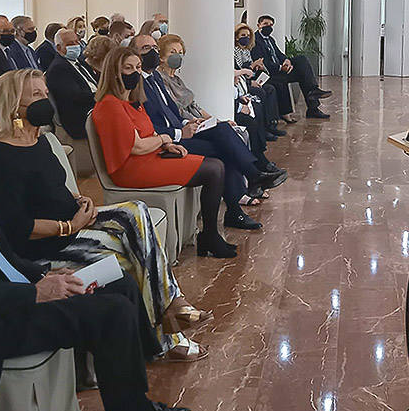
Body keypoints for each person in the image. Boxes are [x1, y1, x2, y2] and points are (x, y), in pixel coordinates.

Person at [0, 69, 210, 361]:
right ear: (13, 103)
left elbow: (52, 188)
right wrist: (68, 225)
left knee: (136, 211)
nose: (45, 99)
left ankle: (171, 309)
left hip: (75, 224)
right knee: (130, 256)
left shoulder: (40, 140)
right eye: (36, 95)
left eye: (45, 92)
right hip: (45, 246)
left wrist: (77, 200)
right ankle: (168, 333)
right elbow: (15, 227)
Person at [0, 201, 195, 411]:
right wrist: (34, 292)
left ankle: (136, 405)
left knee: (121, 283)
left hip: (17, 293)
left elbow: (1, 255)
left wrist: (42, 274)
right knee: (113, 314)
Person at [91, 46, 236, 259]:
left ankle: (208, 235)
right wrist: (164, 139)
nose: (135, 73)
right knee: (214, 169)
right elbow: (136, 146)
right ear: (114, 72)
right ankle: (210, 237)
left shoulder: (132, 102)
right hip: (130, 168)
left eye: (138, 67)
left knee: (214, 164)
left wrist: (166, 145)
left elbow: (147, 134)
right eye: (128, 68)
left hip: (149, 158)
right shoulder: (110, 105)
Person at [131, 34, 285, 230]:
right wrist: (179, 133)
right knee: (223, 148)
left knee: (222, 129)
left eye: (154, 47)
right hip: (168, 141)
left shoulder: (154, 79)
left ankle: (251, 179)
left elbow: (171, 111)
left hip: (180, 130)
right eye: (146, 49)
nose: (152, 52)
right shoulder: (137, 85)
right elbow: (149, 126)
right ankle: (242, 195)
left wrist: (190, 122)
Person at [253, 14, 332, 120]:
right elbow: (263, 62)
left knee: (301, 61)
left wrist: (287, 60)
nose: (269, 27)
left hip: (279, 70)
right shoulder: (254, 40)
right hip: (268, 74)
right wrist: (281, 67)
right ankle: (312, 101)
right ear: (259, 25)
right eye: (265, 24)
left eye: (271, 25)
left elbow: (279, 54)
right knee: (298, 76)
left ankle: (313, 98)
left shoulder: (270, 39)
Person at [234, 23, 285, 133]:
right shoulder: (235, 51)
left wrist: (257, 67)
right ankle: (265, 128)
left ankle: (272, 123)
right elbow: (240, 70)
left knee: (271, 88)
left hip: (250, 79)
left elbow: (250, 70)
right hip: (242, 83)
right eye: (243, 35)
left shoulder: (247, 51)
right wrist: (252, 68)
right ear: (237, 37)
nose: (246, 38)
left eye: (248, 35)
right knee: (261, 92)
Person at [46, 28, 95, 139]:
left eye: (77, 41)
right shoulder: (58, 68)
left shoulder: (80, 62)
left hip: (94, 105)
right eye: (70, 43)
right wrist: (101, 96)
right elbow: (75, 97)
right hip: (81, 116)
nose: (76, 45)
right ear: (59, 48)